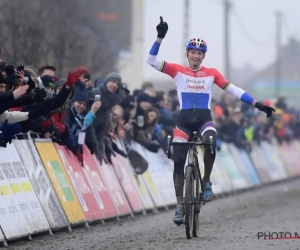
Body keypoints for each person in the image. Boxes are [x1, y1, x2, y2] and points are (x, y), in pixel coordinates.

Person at [147, 16, 275, 225]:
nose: (196, 56)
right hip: (184, 122)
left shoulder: (211, 73)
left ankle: (206, 182)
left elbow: (233, 89)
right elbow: (151, 61)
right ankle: (180, 206)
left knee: (211, 140)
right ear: (187, 53)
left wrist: (257, 104)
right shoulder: (177, 70)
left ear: (203, 56)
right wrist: (160, 37)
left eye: (199, 53)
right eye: (193, 52)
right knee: (178, 162)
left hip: (204, 120)